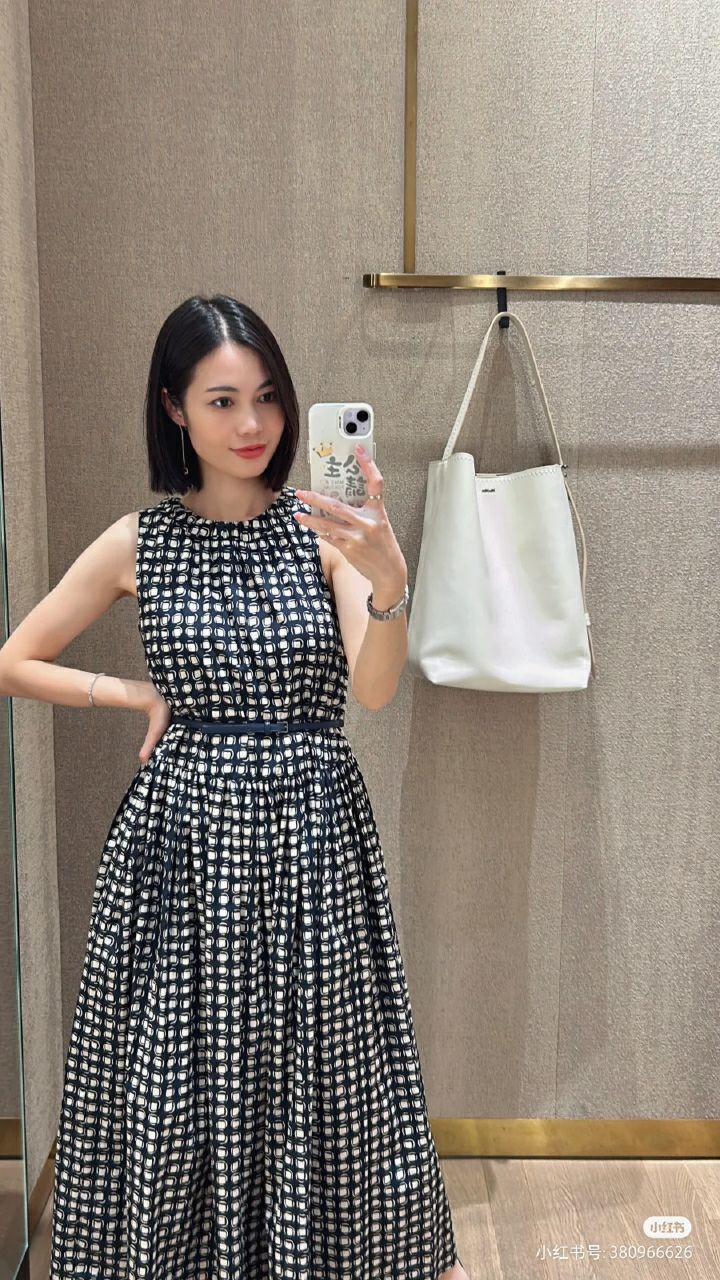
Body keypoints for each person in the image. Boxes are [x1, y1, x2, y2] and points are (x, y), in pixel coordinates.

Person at [0, 293, 467, 1278]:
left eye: (267, 397)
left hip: (311, 829)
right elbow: (15, 659)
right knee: (178, 1058)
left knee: (319, 1051)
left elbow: (374, 689)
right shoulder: (141, 541)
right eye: (222, 401)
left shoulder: (328, 531)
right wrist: (131, 692)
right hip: (180, 839)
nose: (252, 424)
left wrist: (388, 582)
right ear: (174, 408)